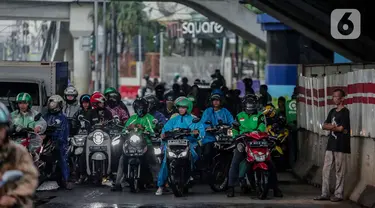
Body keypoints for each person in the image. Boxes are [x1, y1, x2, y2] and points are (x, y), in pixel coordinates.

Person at [227, 96, 282, 198]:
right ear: (244, 106)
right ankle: (231, 187)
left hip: (258, 141)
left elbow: (262, 126)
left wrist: (257, 131)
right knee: (235, 162)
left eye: (252, 105)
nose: (250, 107)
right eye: (248, 105)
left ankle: (275, 188)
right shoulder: (239, 116)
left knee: (270, 164)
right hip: (243, 141)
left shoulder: (260, 115)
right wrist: (235, 136)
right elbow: (234, 128)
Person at [155, 96, 205, 195]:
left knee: (193, 155)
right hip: (173, 143)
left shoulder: (194, 119)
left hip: (188, 143)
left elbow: (201, 131)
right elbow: (165, 129)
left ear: (188, 108)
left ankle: (190, 175)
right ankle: (161, 185)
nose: (181, 109)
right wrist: (163, 134)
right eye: (180, 107)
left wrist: (197, 132)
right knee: (166, 160)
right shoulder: (174, 119)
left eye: (184, 107)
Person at [111, 98, 159, 191]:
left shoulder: (150, 118)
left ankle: (158, 182)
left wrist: (145, 128)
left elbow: (153, 130)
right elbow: (124, 131)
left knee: (153, 159)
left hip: (146, 143)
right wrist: (129, 128)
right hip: (131, 143)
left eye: (142, 107)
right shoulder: (132, 118)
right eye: (138, 108)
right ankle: (118, 183)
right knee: (122, 159)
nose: (140, 110)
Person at [0, 102, 39, 208]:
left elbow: (29, 178)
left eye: (0, 128)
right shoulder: (14, 114)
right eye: (20, 103)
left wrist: (13, 197)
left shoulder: (17, 152)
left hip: (13, 202)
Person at [314, 89, 350, 202]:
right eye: (333, 96)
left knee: (339, 170)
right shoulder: (332, 111)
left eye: (336, 97)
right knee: (326, 169)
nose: (334, 98)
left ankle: (338, 194)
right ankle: (325, 193)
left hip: (341, 145)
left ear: (342, 98)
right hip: (331, 144)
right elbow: (324, 125)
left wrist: (332, 127)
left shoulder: (345, 112)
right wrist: (333, 127)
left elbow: (341, 128)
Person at [43, 95, 72, 190]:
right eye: (51, 104)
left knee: (62, 158)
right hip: (44, 141)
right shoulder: (45, 116)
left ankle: (66, 180)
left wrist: (58, 141)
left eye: (55, 104)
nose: (53, 106)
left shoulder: (63, 118)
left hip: (58, 143)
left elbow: (64, 133)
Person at [200, 90, 234, 168]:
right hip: (210, 138)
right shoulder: (208, 111)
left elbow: (232, 122)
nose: (215, 102)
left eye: (217, 100)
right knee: (207, 152)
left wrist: (231, 126)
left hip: (224, 138)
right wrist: (208, 128)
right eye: (214, 100)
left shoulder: (225, 111)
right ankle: (206, 169)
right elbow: (203, 123)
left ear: (221, 101)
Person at [73, 94, 93, 184]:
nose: (86, 104)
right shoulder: (79, 112)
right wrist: (73, 127)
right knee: (70, 153)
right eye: (84, 103)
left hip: (91, 137)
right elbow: (74, 121)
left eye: (87, 102)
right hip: (79, 136)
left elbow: (96, 122)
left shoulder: (93, 112)